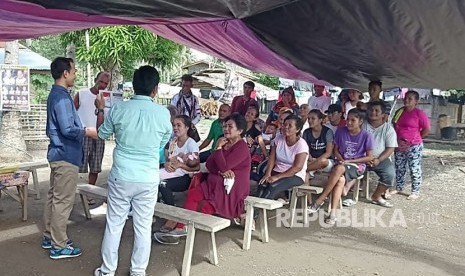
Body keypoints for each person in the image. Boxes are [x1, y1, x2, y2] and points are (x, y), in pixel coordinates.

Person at [94, 66, 172, 276]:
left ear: (133, 87)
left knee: (114, 224)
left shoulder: (119, 109)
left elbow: (102, 134)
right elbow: (162, 143)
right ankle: (138, 271)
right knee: (143, 227)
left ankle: (107, 271)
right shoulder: (163, 114)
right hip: (147, 177)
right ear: (155, 89)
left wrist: (100, 110)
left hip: (122, 176)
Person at [154, 113, 251, 244]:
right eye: (225, 126)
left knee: (205, 208)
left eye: (230, 126)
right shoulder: (224, 142)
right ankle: (182, 228)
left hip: (232, 188)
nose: (226, 129)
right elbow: (211, 165)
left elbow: (225, 165)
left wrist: (218, 150)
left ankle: (183, 228)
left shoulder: (242, 147)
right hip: (214, 182)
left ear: (239, 131)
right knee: (193, 195)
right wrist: (221, 167)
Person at [42, 57, 97, 259]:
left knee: (54, 197)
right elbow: (67, 129)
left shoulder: (57, 95)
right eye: (73, 70)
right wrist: (86, 131)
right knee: (63, 201)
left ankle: (50, 236)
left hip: (58, 153)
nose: (75, 74)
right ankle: (59, 245)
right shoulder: (62, 98)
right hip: (66, 154)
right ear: (65, 73)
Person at [308, 109, 374, 225]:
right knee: (340, 180)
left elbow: (369, 157)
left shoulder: (366, 136)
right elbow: (336, 150)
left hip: (356, 165)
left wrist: (351, 160)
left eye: (353, 120)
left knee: (339, 169)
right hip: (340, 162)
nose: (348, 122)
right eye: (348, 119)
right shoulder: (340, 131)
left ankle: (321, 199)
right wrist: (339, 157)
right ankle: (333, 214)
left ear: (360, 121)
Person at [74, 72, 110, 198]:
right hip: (83, 134)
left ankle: (89, 194)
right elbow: (72, 112)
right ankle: (71, 192)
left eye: (106, 83)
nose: (103, 85)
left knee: (95, 167)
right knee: (77, 165)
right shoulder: (82, 93)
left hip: (99, 135)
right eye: (101, 82)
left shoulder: (108, 98)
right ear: (95, 80)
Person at [257, 115, 308, 200]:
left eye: (290, 126)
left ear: (297, 130)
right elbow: (272, 158)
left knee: (273, 187)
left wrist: (277, 177)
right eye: (284, 124)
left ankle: (259, 211)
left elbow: (297, 168)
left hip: (295, 175)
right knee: (262, 184)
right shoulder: (278, 138)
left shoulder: (301, 145)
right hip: (278, 170)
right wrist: (268, 173)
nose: (285, 127)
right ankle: (255, 210)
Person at [391, 90, 430, 199]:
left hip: (414, 146)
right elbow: (394, 124)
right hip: (399, 144)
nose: (406, 100)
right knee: (399, 167)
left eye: (410, 99)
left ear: (416, 101)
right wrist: (398, 140)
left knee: (414, 168)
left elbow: (426, 129)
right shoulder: (399, 111)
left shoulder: (419, 114)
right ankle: (399, 187)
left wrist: (415, 139)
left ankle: (415, 191)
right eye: (405, 98)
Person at [158, 115, 200, 212]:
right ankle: (157, 207)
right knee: (152, 180)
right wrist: (166, 164)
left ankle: (173, 213)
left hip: (185, 177)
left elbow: (196, 167)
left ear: (187, 127)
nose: (175, 128)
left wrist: (181, 165)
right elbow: (169, 159)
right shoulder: (173, 142)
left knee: (163, 184)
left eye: (179, 125)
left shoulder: (191, 143)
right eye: (174, 125)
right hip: (172, 173)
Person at [363, 101, 397, 207]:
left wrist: (379, 159)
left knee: (390, 174)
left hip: (379, 159)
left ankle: (376, 196)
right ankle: (345, 193)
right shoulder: (361, 125)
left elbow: (390, 148)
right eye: (371, 110)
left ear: (383, 114)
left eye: (377, 111)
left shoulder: (388, 129)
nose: (373, 112)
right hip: (360, 158)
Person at [302, 109, 335, 177]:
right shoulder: (306, 132)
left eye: (313, 118)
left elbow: (328, 153)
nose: (310, 121)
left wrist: (316, 161)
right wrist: (311, 159)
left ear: (320, 120)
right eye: (308, 118)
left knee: (323, 161)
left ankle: (301, 170)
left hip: (325, 161)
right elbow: (305, 149)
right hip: (310, 160)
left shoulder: (328, 132)